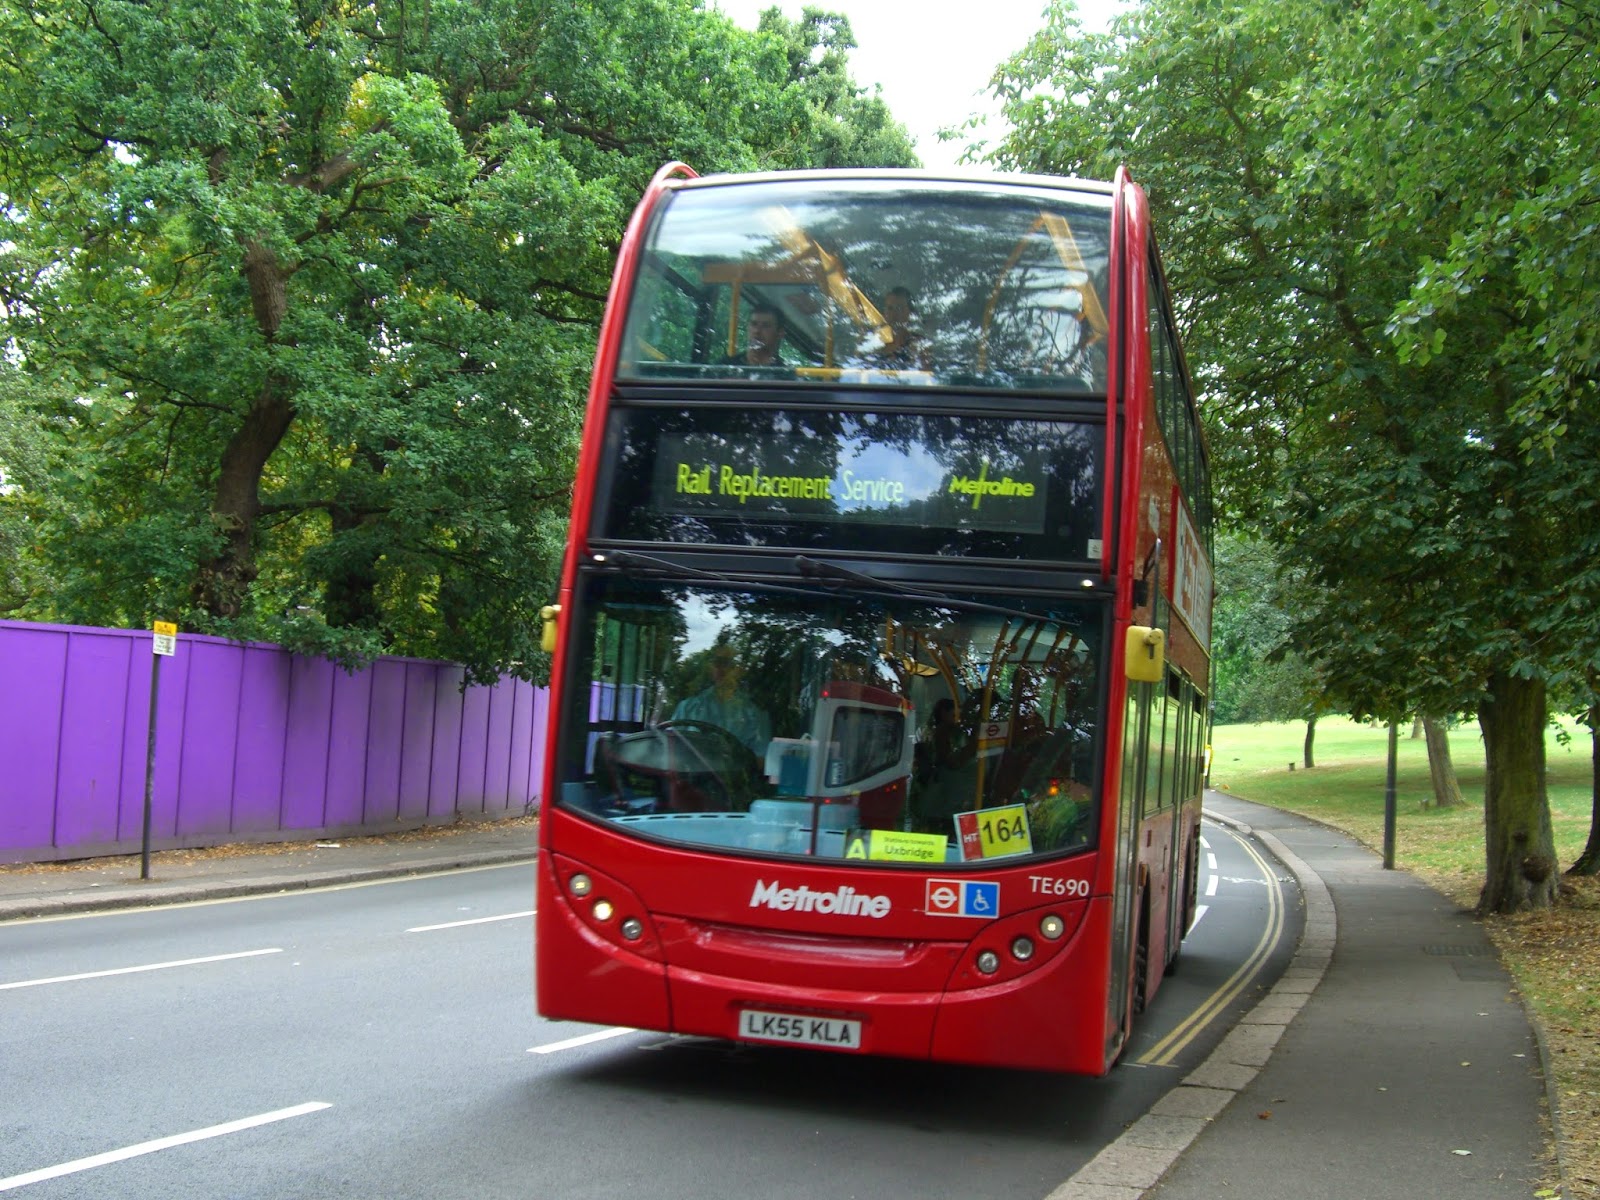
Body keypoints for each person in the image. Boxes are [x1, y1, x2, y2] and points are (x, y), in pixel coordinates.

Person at [672, 645, 771, 757]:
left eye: (728, 664)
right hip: (687, 771)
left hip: (733, 773)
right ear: (711, 667)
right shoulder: (687, 707)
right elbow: (670, 748)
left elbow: (762, 759)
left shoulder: (754, 712)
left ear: (739, 669)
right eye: (717, 663)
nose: (721, 669)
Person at [869, 287, 931, 370]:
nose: (894, 313)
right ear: (884, 313)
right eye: (890, 308)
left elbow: (926, 377)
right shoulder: (873, 342)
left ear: (910, 312)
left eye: (899, 308)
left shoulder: (920, 344)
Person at [719, 303, 788, 368]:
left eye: (765, 326)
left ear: (780, 333)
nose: (757, 331)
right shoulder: (725, 366)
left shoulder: (785, 375)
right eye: (754, 324)